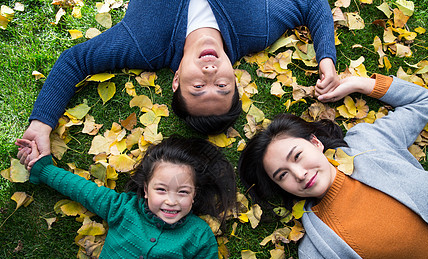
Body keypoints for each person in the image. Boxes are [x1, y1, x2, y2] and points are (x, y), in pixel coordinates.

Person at [19, 0, 339, 164]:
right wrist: (326, 58)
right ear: (234, 76)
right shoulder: (258, 28)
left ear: (175, 81)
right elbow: (312, 4)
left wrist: (42, 124)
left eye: (198, 87)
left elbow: (75, 62)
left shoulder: (145, 44)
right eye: (223, 86)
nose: (211, 75)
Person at [238, 74, 428, 259]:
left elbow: (422, 101)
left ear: (316, 143)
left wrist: (360, 84)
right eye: (282, 175)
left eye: (297, 156)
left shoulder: (368, 142)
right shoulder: (317, 252)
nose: (299, 174)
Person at [16, 135, 253, 259]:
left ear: (194, 196)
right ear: (145, 189)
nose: (171, 201)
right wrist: (43, 168)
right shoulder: (123, 208)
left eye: (183, 192)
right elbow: (82, 190)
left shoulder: (198, 235)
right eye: (161, 190)